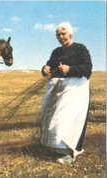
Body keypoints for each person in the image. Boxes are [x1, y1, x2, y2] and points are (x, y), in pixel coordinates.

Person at [40, 22, 92, 164]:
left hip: (74, 89)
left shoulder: (81, 49)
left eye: (63, 34)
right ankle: (56, 148)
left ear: (70, 33)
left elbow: (87, 68)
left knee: (65, 119)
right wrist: (45, 69)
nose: (60, 37)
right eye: (58, 35)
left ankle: (68, 153)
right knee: (51, 118)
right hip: (57, 88)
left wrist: (69, 69)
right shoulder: (56, 52)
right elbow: (49, 65)